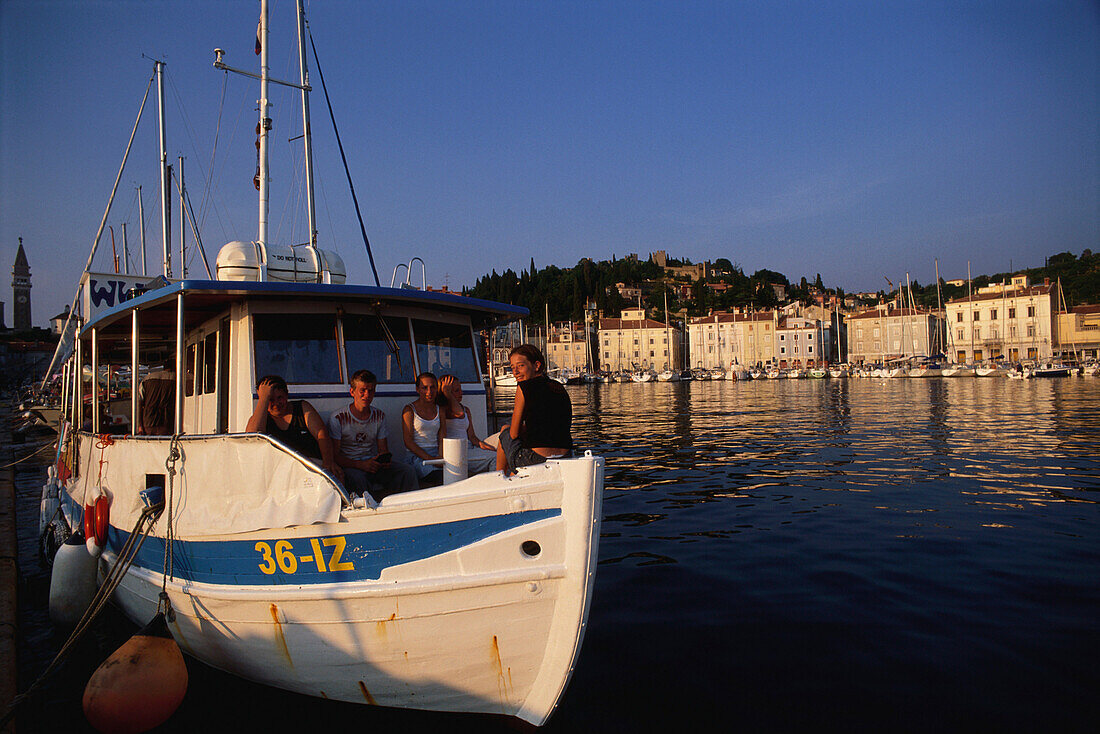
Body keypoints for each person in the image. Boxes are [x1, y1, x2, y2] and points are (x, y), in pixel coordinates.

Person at [328, 369, 417, 501]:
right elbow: (335, 456)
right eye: (362, 390)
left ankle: (409, 505)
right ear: (352, 392)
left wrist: (383, 461)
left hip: (372, 463)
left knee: (407, 471)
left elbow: (383, 450)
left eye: (371, 390)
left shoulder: (379, 416)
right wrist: (360, 464)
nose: (367, 395)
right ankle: (368, 511)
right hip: (350, 465)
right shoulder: (338, 418)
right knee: (358, 478)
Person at [246, 375, 341, 481]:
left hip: (310, 465)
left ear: (286, 395)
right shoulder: (260, 419)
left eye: (280, 398)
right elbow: (251, 439)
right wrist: (264, 398)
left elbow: (321, 434)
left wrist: (328, 462)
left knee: (337, 474)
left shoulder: (302, 408)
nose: (276, 404)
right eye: (270, 399)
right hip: (279, 472)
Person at [497, 344, 573, 475]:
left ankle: (497, 477)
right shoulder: (558, 387)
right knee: (515, 469)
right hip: (566, 456)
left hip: (536, 459)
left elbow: (514, 434)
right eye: (512, 367)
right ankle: (512, 476)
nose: (515, 372)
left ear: (536, 365)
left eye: (520, 366)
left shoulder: (524, 387)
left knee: (505, 430)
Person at [438, 374, 497, 474]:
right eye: (456, 391)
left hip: (471, 448)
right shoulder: (442, 410)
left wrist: (486, 447)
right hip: (458, 452)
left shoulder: (466, 410)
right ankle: (496, 484)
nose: (461, 393)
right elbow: (459, 413)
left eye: (460, 389)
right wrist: (447, 395)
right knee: (496, 458)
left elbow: (472, 437)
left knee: (505, 437)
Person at [402, 372, 443, 485]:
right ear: (417, 389)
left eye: (432, 387)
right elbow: (408, 442)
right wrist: (430, 459)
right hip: (416, 456)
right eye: (424, 388)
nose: (429, 392)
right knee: (438, 477)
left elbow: (442, 435)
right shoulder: (409, 410)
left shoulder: (440, 410)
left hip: (436, 454)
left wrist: (440, 456)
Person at [137, 368, 175, 435]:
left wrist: (140, 425)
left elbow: (139, 404)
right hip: (167, 422)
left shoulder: (147, 379)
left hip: (148, 421)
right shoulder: (177, 378)